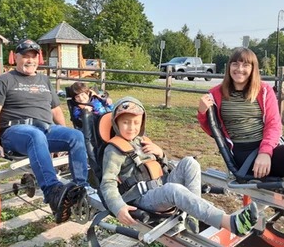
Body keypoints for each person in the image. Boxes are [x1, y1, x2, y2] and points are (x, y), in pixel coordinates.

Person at [100, 96, 259, 236]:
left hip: (160, 184)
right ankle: (230, 223)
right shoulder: (113, 150)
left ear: (142, 123)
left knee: (190, 162)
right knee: (174, 190)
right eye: (125, 122)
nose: (131, 127)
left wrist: (161, 153)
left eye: (136, 122)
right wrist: (118, 207)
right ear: (116, 123)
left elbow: (162, 166)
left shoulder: (142, 140)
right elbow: (107, 183)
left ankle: (192, 217)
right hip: (142, 197)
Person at [0, 39, 88, 224]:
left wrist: (62, 133)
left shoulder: (44, 80)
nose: (30, 60)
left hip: (45, 129)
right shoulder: (4, 80)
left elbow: (56, 111)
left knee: (75, 136)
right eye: (25, 56)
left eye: (33, 56)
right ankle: (52, 192)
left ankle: (80, 189)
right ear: (16, 57)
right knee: (35, 135)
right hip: (14, 132)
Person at [198, 47, 284, 179]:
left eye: (245, 65)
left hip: (268, 148)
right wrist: (202, 112)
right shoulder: (216, 94)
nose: (239, 69)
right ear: (229, 67)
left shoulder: (264, 90)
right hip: (243, 155)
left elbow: (273, 124)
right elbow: (212, 130)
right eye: (235, 64)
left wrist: (265, 152)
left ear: (253, 69)